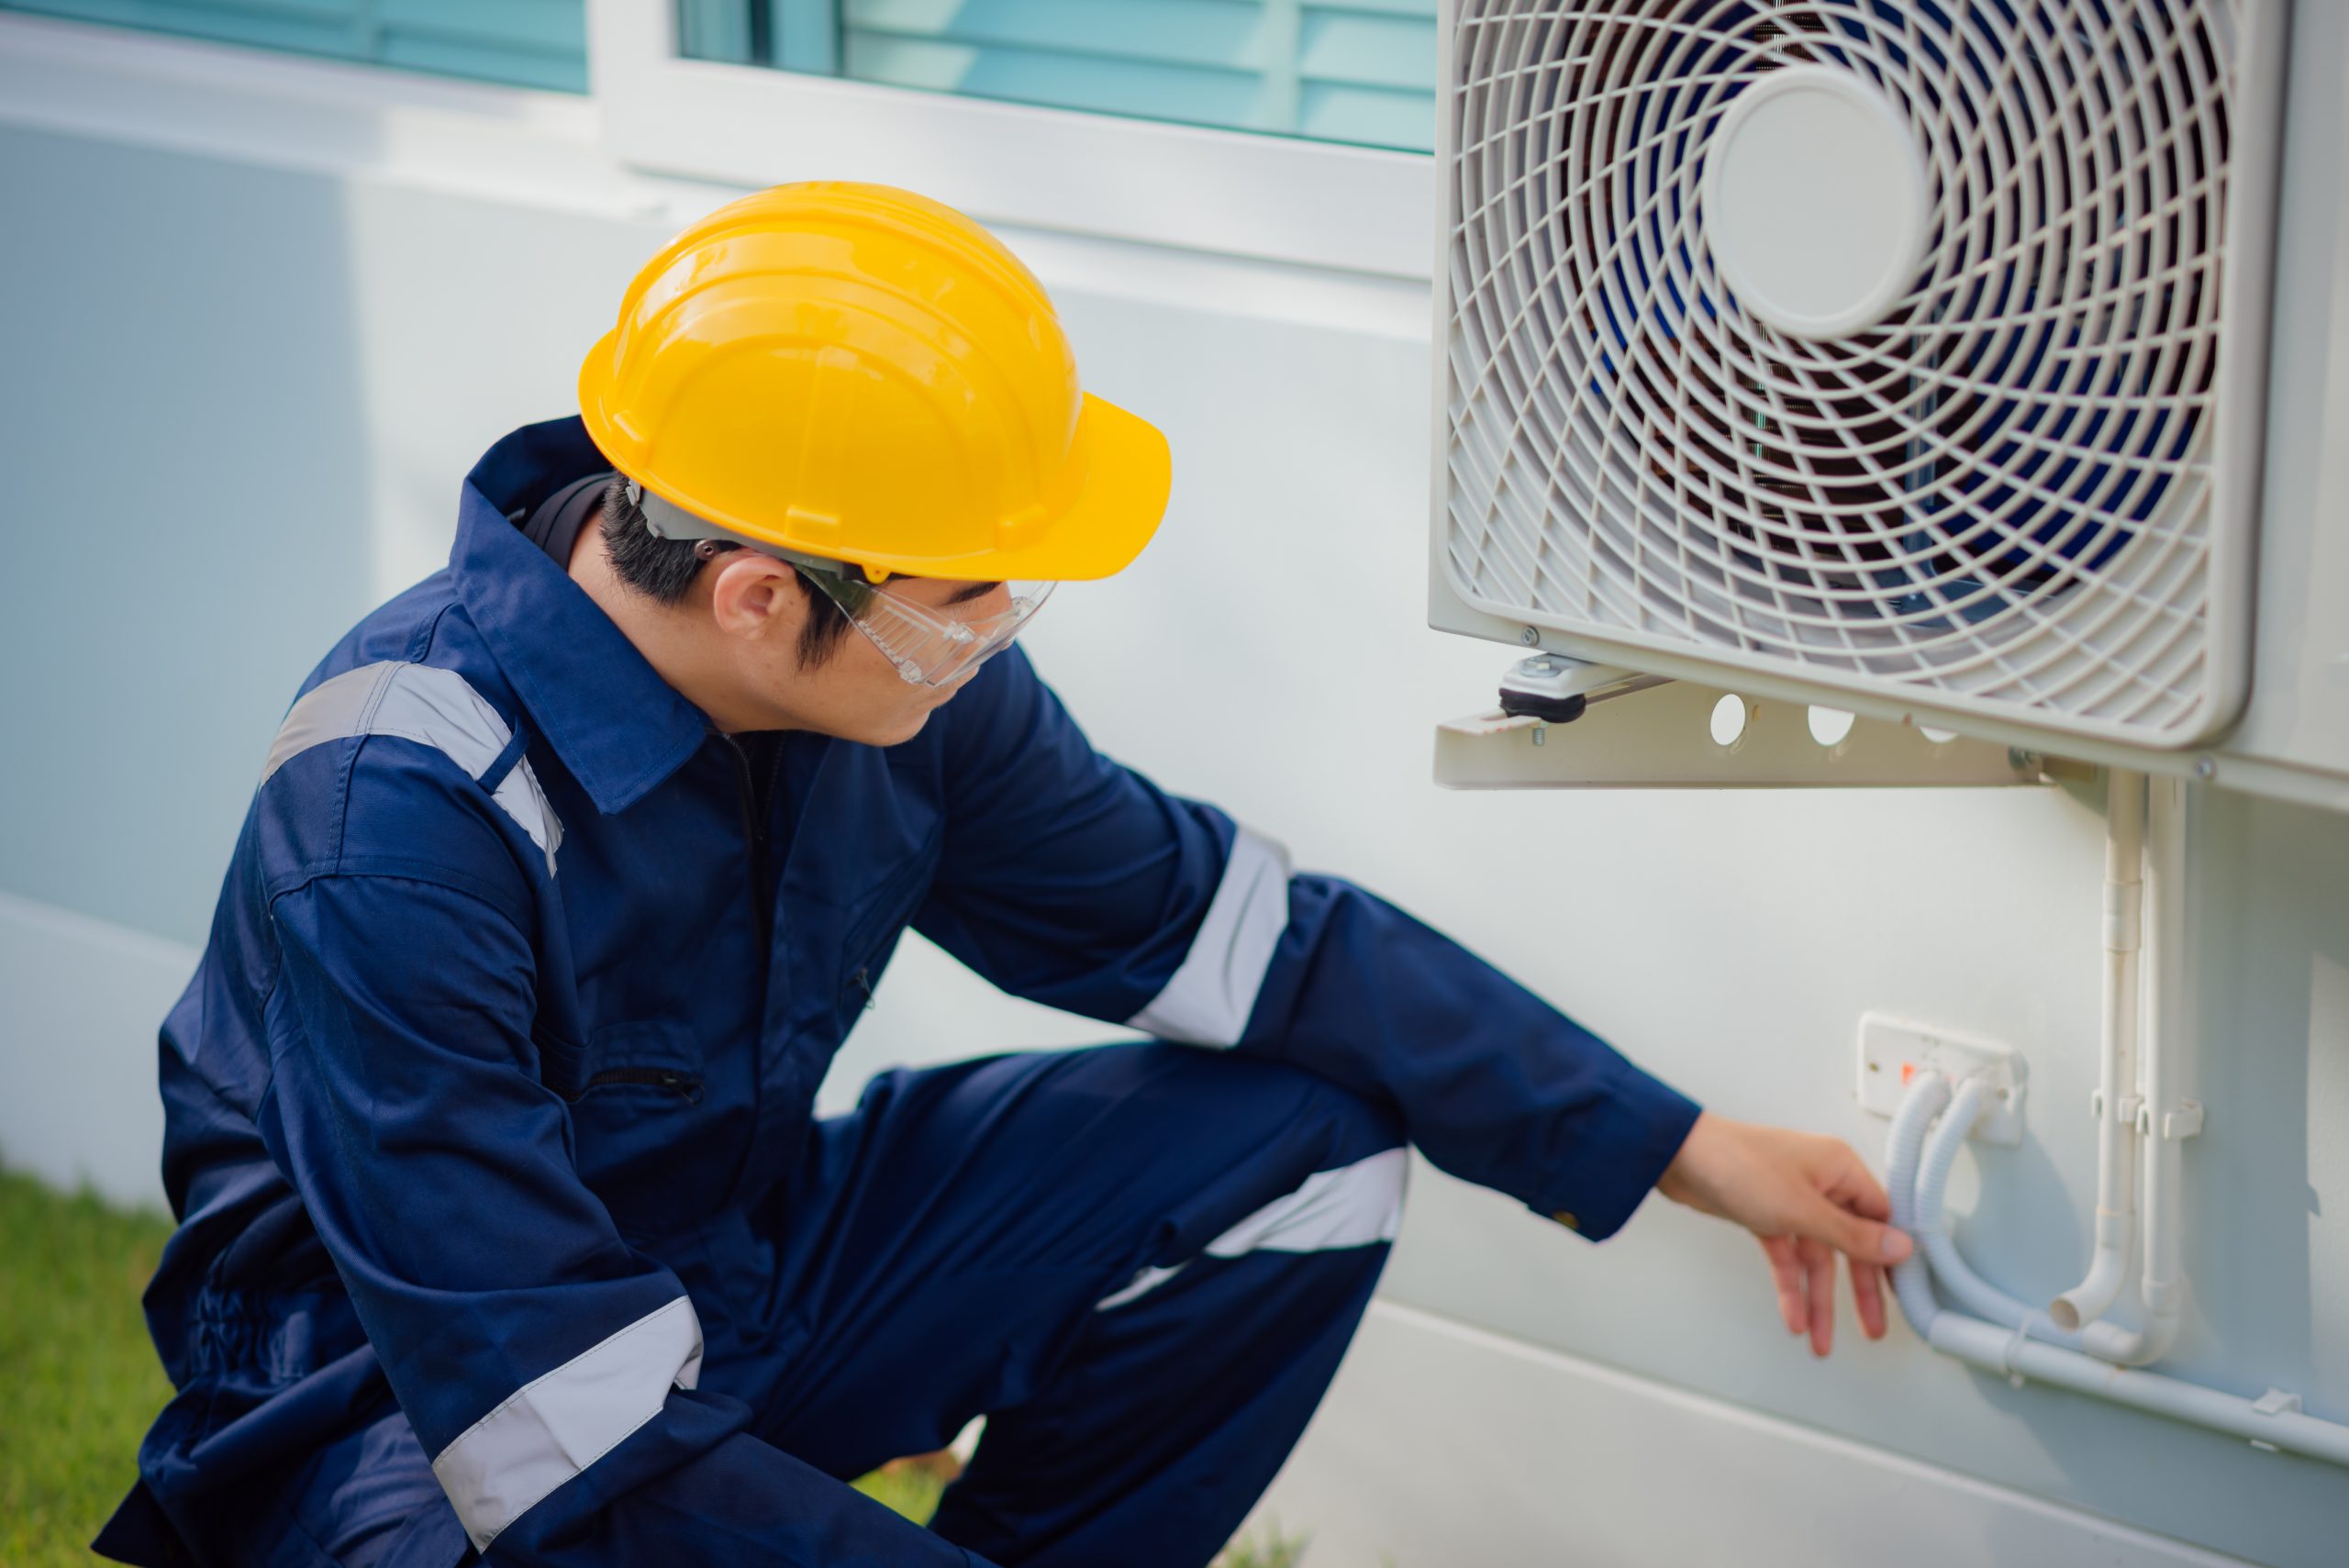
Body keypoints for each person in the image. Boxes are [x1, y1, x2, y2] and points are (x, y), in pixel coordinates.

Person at [96, 183, 1913, 1568]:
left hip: (727, 1274)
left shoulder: (900, 690)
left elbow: (1247, 945)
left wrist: (1682, 1149)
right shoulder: (394, 817)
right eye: (976, 589)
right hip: (408, 1410)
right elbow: (541, 1417)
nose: (1003, 629)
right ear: (756, 592)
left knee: (1301, 1147)